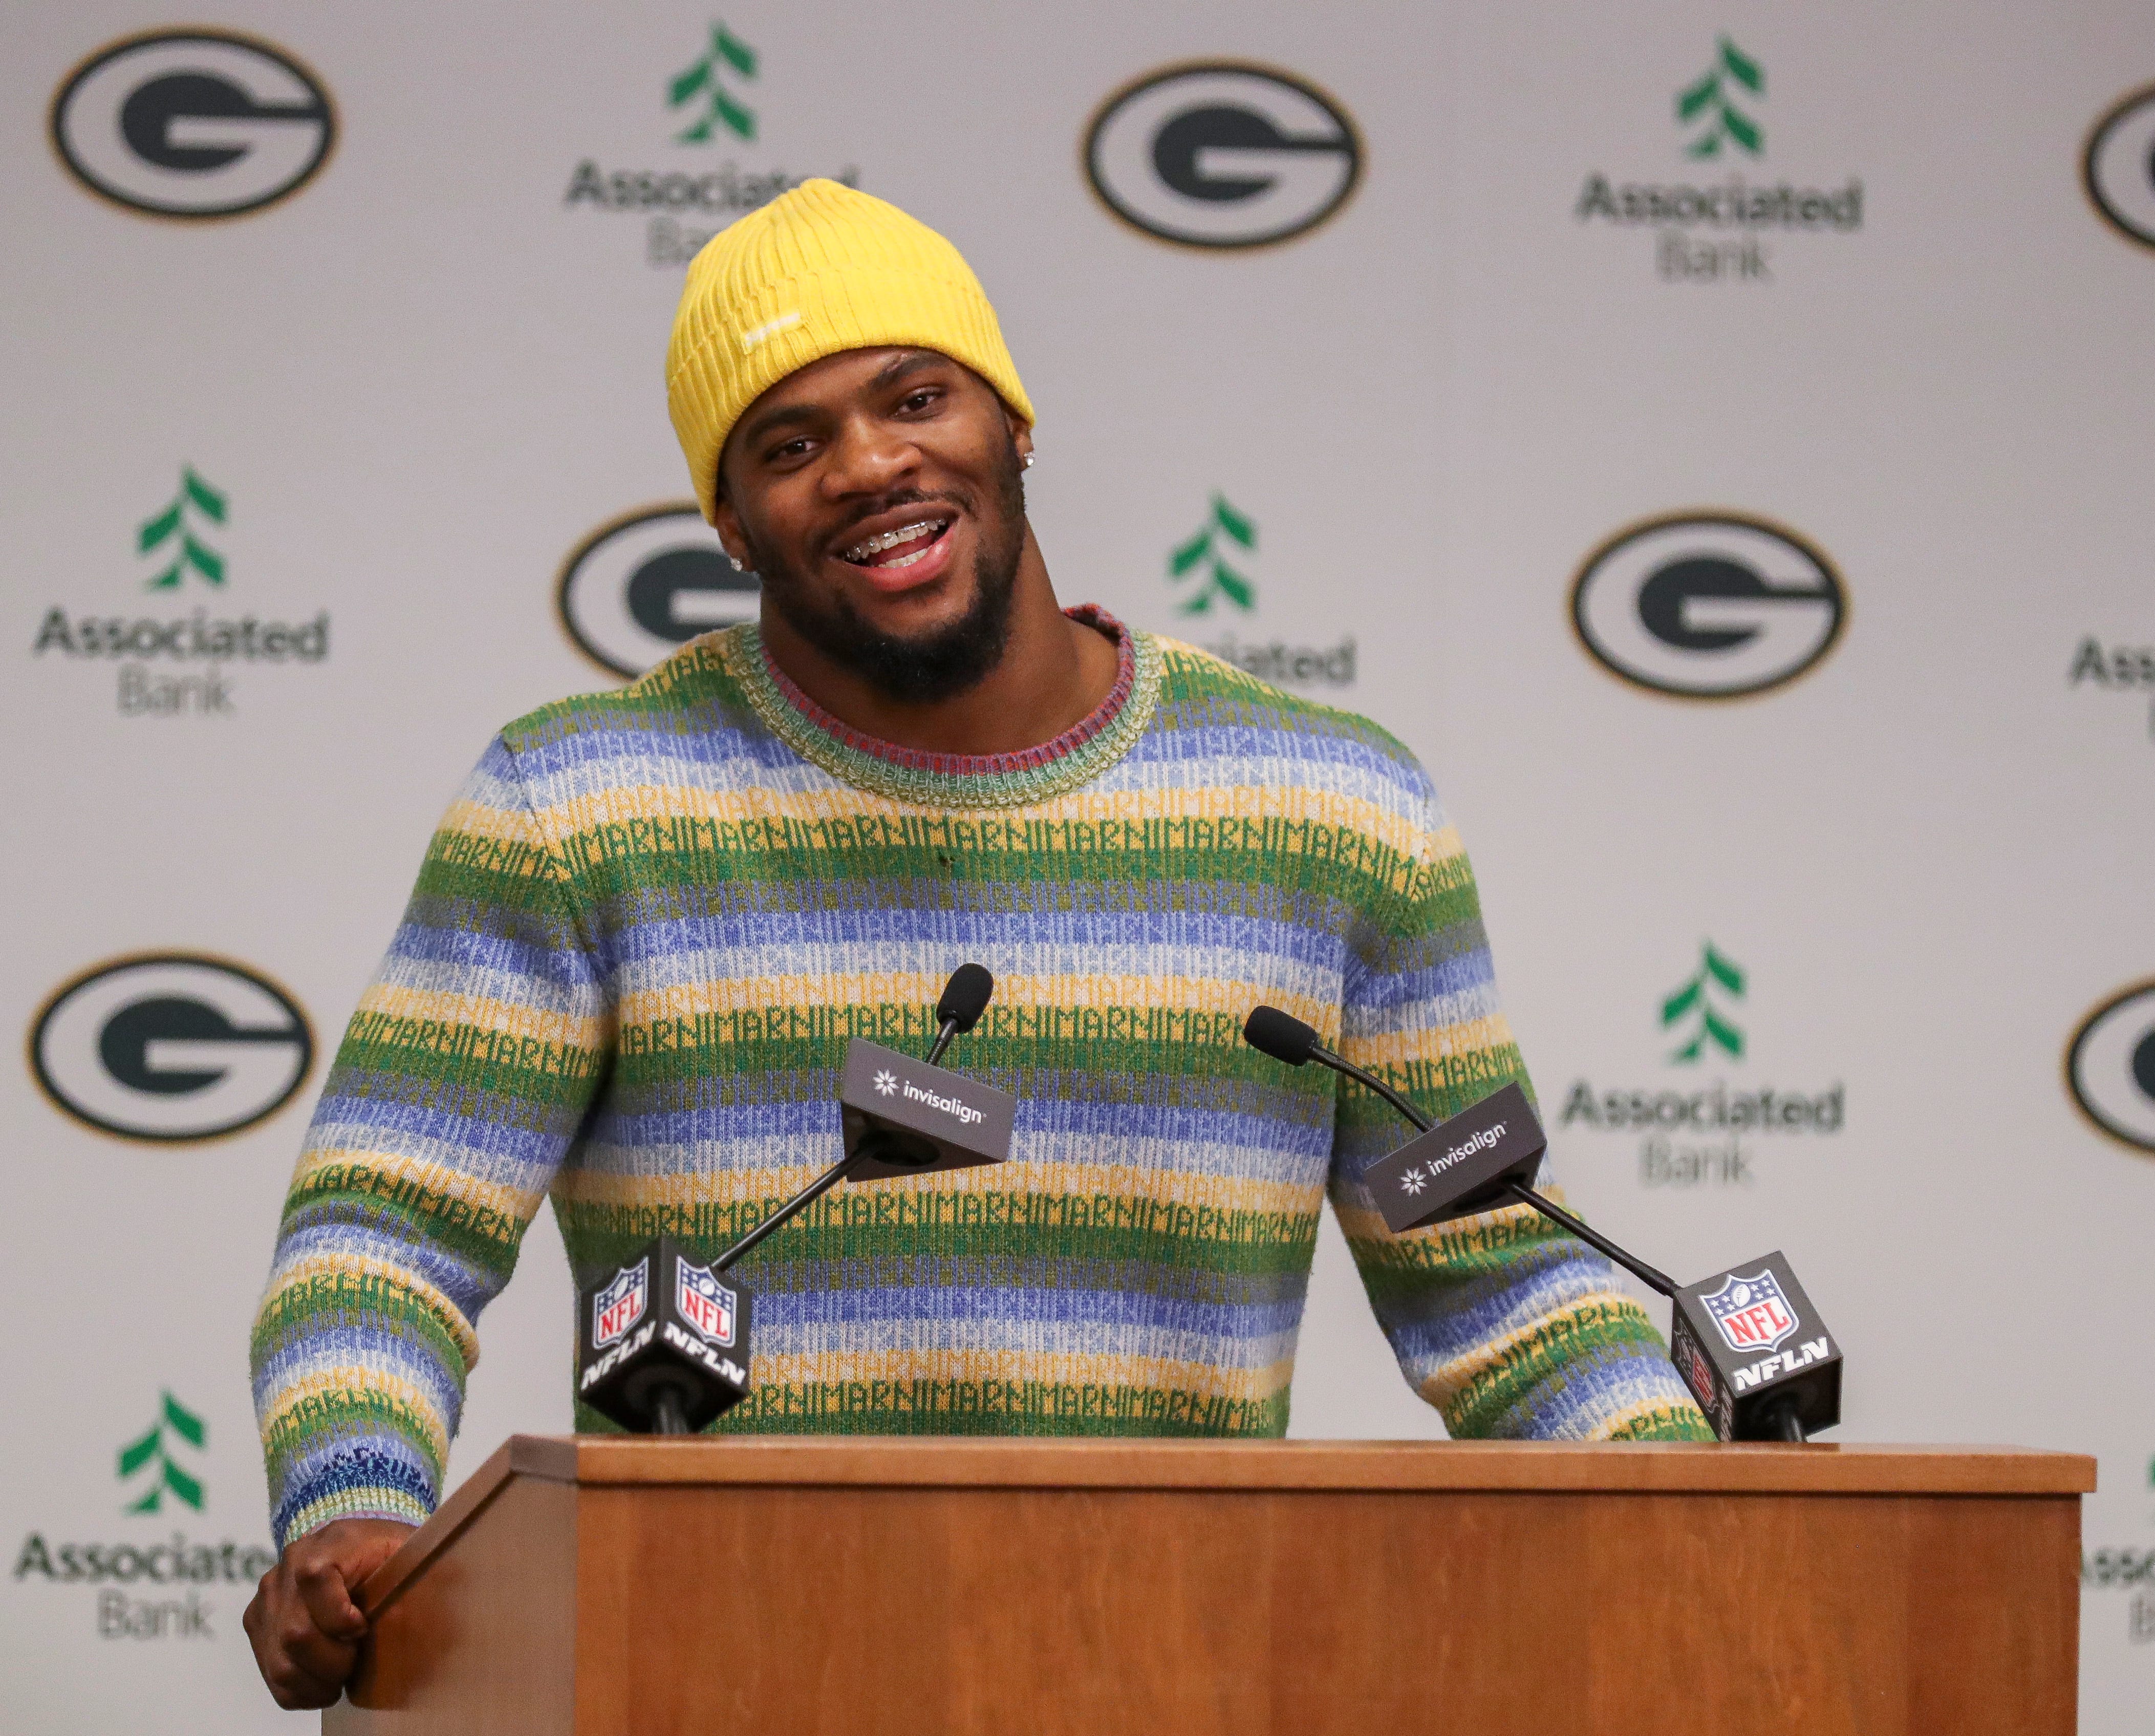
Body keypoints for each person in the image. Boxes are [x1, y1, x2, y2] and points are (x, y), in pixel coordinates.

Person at [243, 179, 1709, 1707]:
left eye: (915, 398)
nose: (869, 465)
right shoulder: (579, 806)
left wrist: (1704, 1517)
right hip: (713, 1679)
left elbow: (1494, 1270)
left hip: (1175, 1678)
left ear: (1012, 423)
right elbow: (385, 1230)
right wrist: (355, 1505)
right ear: (730, 524)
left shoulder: (1332, 811)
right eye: (787, 445)